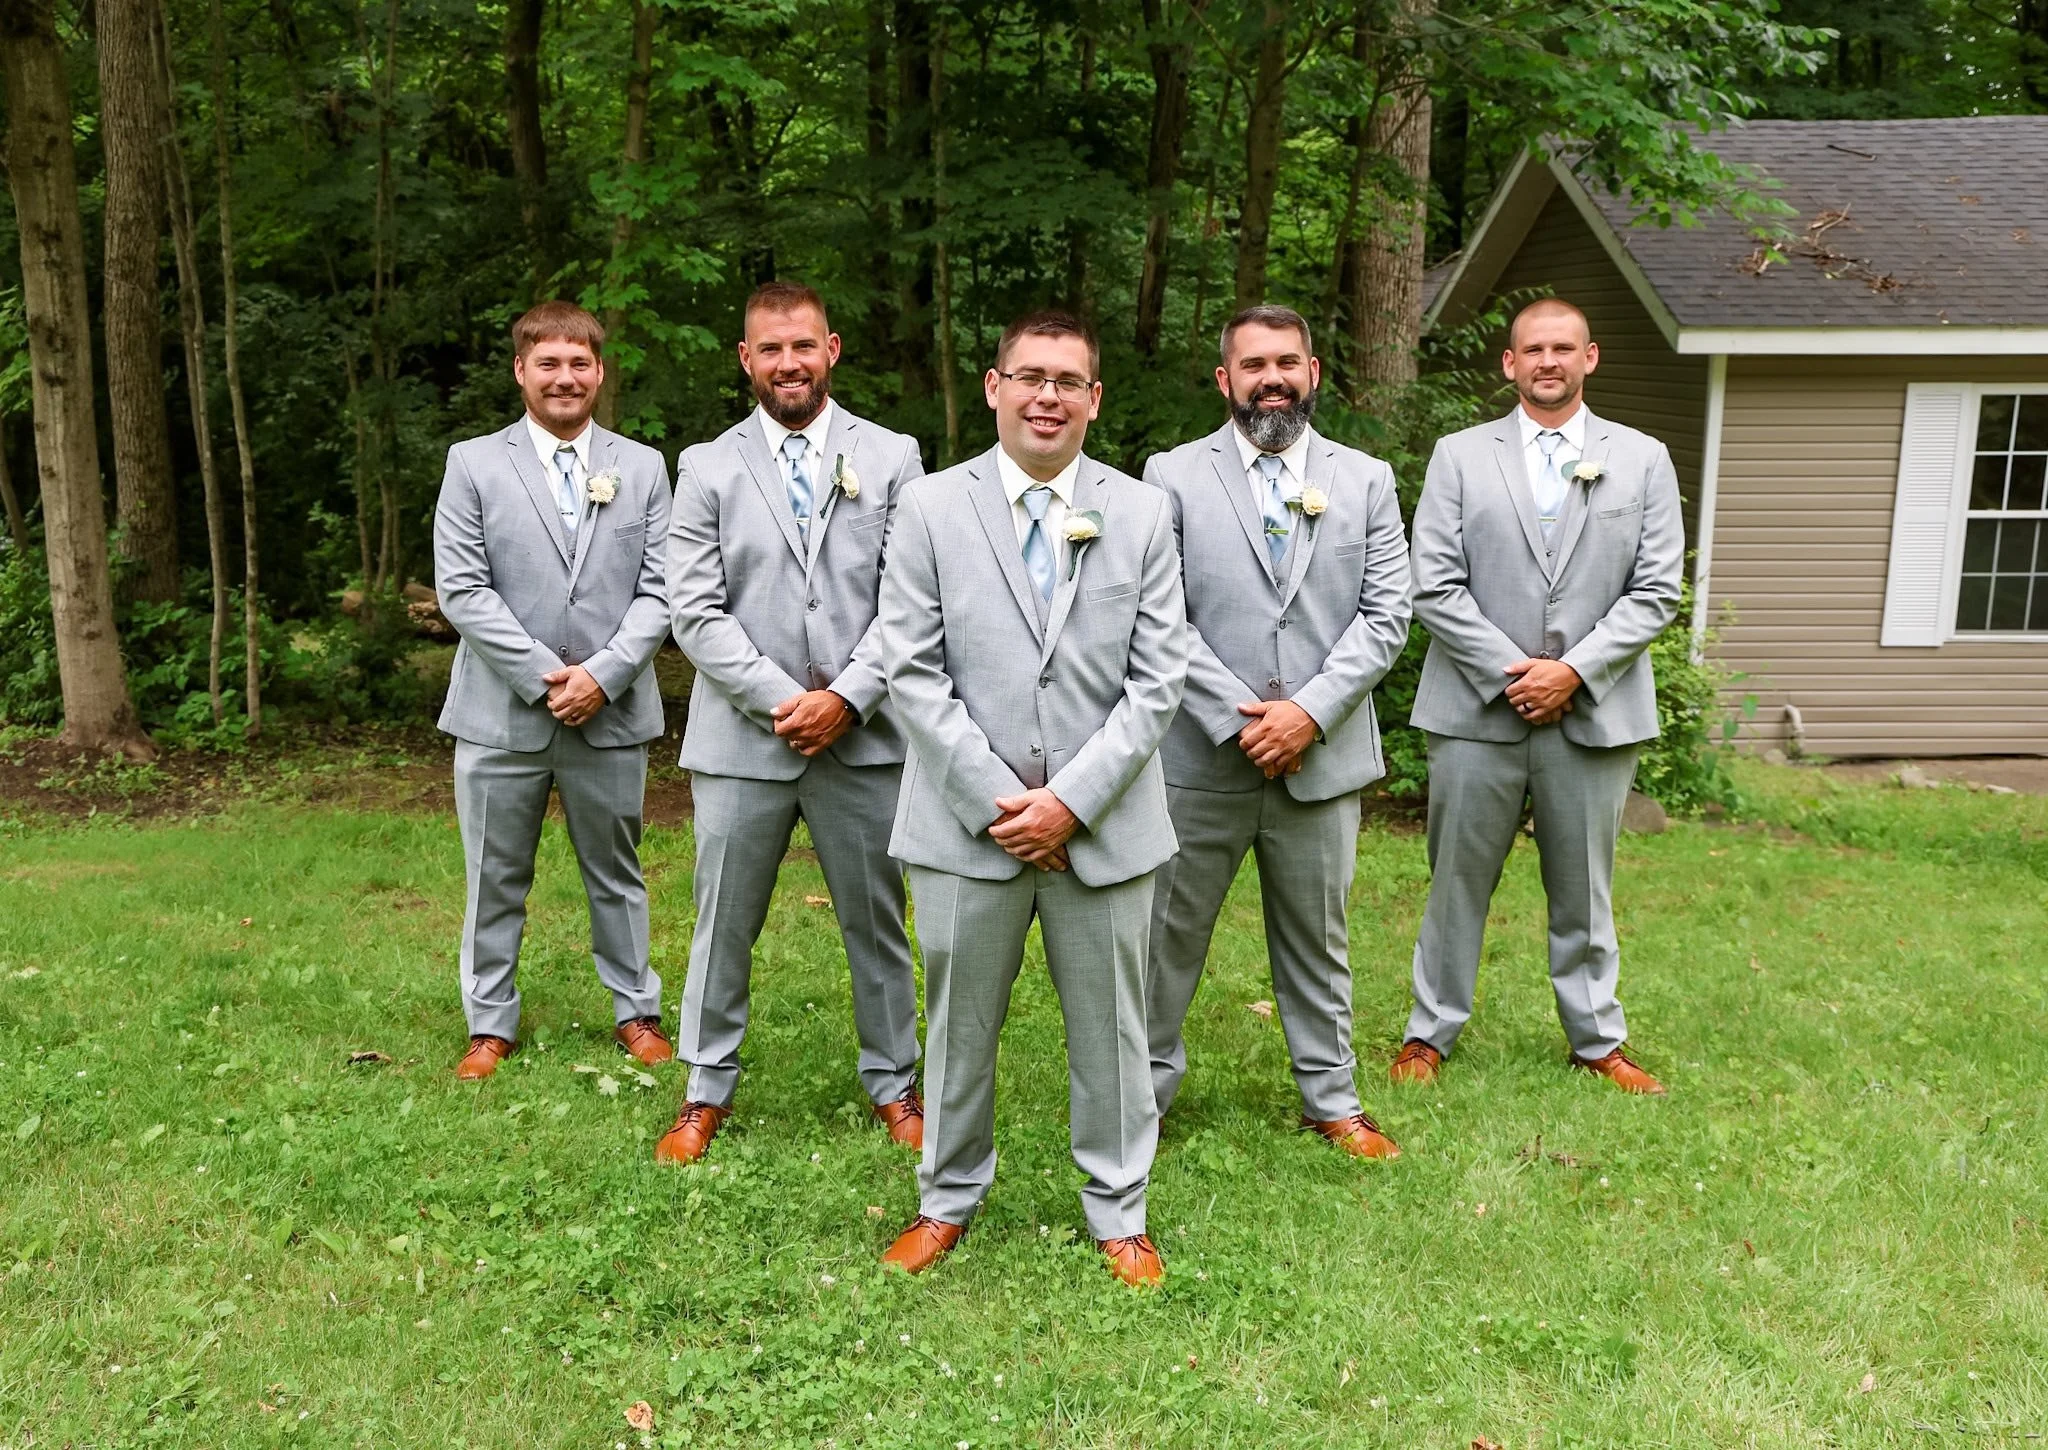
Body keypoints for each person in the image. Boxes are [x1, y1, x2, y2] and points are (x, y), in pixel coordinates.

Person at [874, 310, 1188, 1286]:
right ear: (993, 387)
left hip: (1105, 827)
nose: (1047, 396)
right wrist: (1001, 801)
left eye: (1067, 381)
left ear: (1094, 399)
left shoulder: (1142, 512)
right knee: (958, 1025)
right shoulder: (928, 507)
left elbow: (1159, 678)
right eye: (1029, 377)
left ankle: (1119, 1208)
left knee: (1115, 1030)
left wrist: (1072, 802)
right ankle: (945, 1198)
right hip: (966, 827)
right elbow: (910, 668)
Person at [656, 281, 927, 1164]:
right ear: (746, 359)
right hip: (744, 741)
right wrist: (784, 701)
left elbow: (911, 600)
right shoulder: (706, 467)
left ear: (831, 349)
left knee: (877, 921)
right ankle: (704, 1087)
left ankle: (895, 1080)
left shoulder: (892, 457)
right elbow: (695, 610)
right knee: (722, 922)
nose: (788, 363)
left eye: (803, 345)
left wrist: (847, 697)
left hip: (865, 737)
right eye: (770, 349)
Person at [1142, 304, 1412, 1155]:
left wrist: (1308, 714)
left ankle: (1331, 1099)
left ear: (1313, 372)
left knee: (1319, 940)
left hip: (1321, 759)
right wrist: (1244, 721)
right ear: (1225, 379)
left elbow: (1386, 616)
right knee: (1165, 937)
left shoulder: (1365, 479)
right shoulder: (1170, 476)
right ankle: (1142, 1095)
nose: (1273, 379)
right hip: (1201, 760)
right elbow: (1160, 618)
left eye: (1287, 362)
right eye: (1254, 365)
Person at [1394, 297, 1682, 1094]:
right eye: (1533, 349)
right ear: (1510, 364)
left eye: (1563, 348)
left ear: (1590, 358)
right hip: (1475, 710)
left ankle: (1596, 1041)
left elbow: (1656, 589)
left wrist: (1574, 673)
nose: (1548, 361)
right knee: (1455, 882)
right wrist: (1515, 673)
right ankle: (1429, 1033)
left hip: (1595, 710)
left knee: (1585, 887)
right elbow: (1434, 583)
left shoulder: (1644, 458)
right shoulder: (1459, 456)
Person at [432, 301, 674, 1081]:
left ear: (599, 371)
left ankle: (636, 1012)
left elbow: (663, 590)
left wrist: (602, 676)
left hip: (611, 713)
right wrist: (547, 679)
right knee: (494, 876)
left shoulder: (643, 467)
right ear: (521, 371)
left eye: (578, 363)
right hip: (500, 714)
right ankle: (489, 1021)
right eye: (548, 363)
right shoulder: (473, 463)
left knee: (617, 873)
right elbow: (462, 589)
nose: (564, 377)